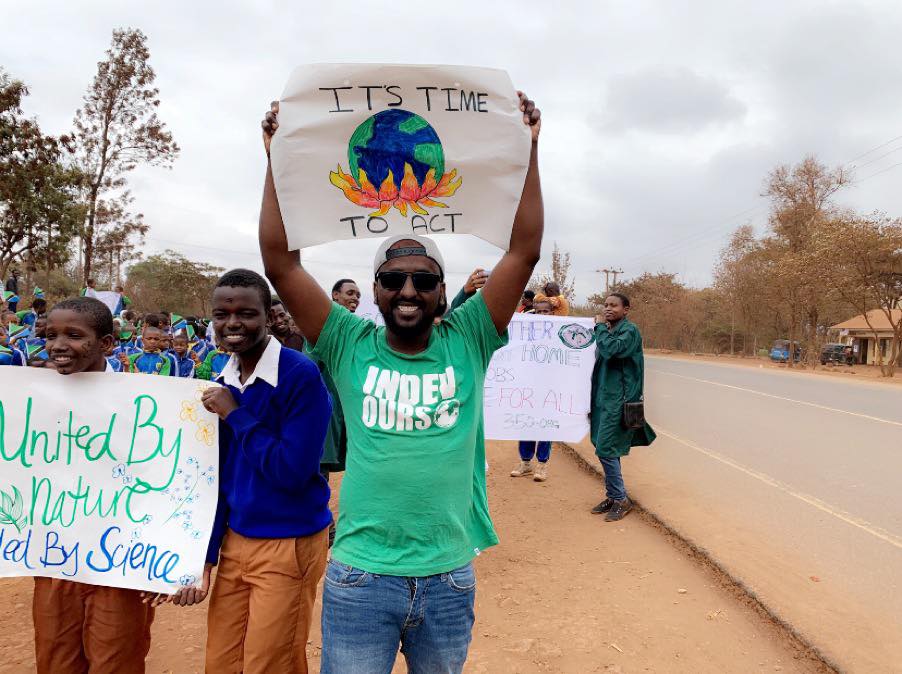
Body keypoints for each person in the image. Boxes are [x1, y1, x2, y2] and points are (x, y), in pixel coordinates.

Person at [259, 89, 542, 672]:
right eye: (393, 278)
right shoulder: (346, 342)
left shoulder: (469, 337)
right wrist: (275, 161)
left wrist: (531, 150)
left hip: (447, 578)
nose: (407, 291)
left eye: (422, 278)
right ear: (377, 287)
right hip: (362, 578)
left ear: (444, 291)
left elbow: (526, 248)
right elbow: (281, 263)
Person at [170, 269, 333, 674]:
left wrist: (237, 415)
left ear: (268, 316)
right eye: (221, 314)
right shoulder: (223, 378)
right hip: (236, 541)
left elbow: (291, 471)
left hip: (288, 541)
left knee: (270, 662)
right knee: (222, 660)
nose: (232, 324)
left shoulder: (298, 375)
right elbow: (217, 476)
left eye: (246, 313)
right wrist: (204, 558)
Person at [33, 296, 156, 672]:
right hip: (54, 559)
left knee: (115, 660)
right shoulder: (29, 397)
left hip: (119, 565)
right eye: (51, 335)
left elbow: (163, 481)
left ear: (106, 344)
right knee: (56, 659)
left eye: (73, 335)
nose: (58, 345)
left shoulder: (147, 403)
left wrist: (165, 553)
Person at [589, 293, 656, 522]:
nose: (608, 309)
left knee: (606, 448)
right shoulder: (608, 330)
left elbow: (612, 351)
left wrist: (598, 329)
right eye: (606, 305)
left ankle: (621, 499)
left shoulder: (629, 331)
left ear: (626, 309)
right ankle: (613, 495)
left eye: (614, 305)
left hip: (620, 400)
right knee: (604, 445)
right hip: (603, 398)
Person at [510, 300, 554, 481]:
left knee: (544, 425)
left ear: (552, 313)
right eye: (539, 311)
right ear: (534, 312)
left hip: (550, 388)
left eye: (546, 311)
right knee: (526, 423)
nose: (543, 314)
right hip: (527, 387)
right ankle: (526, 462)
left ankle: (542, 465)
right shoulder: (524, 334)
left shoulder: (558, 333)